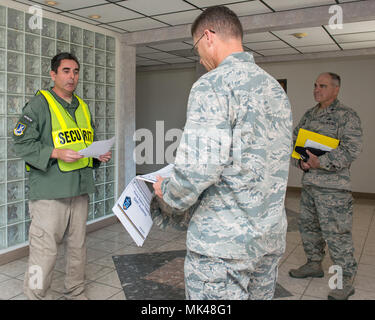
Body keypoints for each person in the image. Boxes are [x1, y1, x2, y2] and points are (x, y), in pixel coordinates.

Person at [153, 6, 292, 300]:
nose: (199, 57)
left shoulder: (213, 84)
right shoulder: (274, 87)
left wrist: (167, 192)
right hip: (268, 239)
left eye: (196, 47)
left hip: (224, 247)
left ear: (208, 36)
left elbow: (198, 168)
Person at [12, 52, 111, 300]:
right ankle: (34, 296)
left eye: (76, 71)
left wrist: (97, 155)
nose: (72, 77)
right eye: (66, 71)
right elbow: (20, 142)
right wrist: (56, 153)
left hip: (79, 188)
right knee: (44, 251)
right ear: (53, 74)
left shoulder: (82, 106)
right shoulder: (39, 105)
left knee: (78, 247)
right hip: (49, 191)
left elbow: (84, 142)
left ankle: (76, 292)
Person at [288, 72, 363, 300]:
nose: (316, 89)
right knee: (309, 229)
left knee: (337, 235)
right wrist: (300, 162)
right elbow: (295, 141)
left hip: (334, 190)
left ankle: (344, 280)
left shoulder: (347, 116)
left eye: (322, 86)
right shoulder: (309, 115)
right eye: (315, 85)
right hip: (310, 185)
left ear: (336, 89)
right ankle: (313, 264)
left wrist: (322, 162)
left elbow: (352, 149)